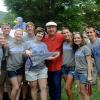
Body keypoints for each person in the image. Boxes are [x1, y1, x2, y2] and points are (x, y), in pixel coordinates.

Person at [24, 27, 59, 100]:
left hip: (42, 69)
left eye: (42, 34)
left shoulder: (44, 45)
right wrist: (26, 52)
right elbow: (23, 54)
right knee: (34, 88)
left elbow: (45, 57)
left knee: (43, 87)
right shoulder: (28, 43)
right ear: (35, 33)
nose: (40, 35)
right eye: (39, 33)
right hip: (31, 70)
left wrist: (54, 56)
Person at [43, 21, 64, 100]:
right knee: (50, 85)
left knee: (57, 84)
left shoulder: (61, 37)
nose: (51, 29)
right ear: (47, 29)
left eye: (53, 27)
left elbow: (70, 41)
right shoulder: (43, 38)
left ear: (56, 28)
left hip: (57, 66)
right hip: (47, 67)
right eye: (49, 28)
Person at [73, 33, 93, 100]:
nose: (76, 39)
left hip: (83, 73)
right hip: (77, 72)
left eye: (78, 38)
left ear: (81, 39)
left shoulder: (85, 48)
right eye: (75, 38)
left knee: (84, 92)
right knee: (79, 91)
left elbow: (89, 62)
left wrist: (89, 75)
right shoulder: (77, 49)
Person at [6, 29, 24, 100]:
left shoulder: (23, 44)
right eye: (17, 34)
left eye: (20, 34)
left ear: (22, 35)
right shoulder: (9, 44)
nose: (18, 35)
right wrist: (9, 65)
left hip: (20, 67)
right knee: (15, 87)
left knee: (19, 86)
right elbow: (6, 56)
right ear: (14, 34)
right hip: (11, 68)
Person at [61, 27, 75, 100]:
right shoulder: (62, 43)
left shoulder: (74, 42)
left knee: (67, 87)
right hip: (64, 68)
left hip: (72, 67)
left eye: (67, 32)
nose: (66, 34)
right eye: (64, 33)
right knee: (69, 87)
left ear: (70, 33)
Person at [1, 23, 13, 100]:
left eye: (8, 28)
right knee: (0, 83)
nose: (6, 30)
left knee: (9, 83)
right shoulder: (0, 37)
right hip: (1, 64)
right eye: (4, 28)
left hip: (9, 63)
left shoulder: (12, 39)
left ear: (10, 29)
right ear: (2, 29)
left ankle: (10, 98)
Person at [85, 26, 100, 91]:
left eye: (91, 32)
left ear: (95, 32)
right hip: (98, 69)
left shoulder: (99, 41)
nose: (89, 34)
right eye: (87, 32)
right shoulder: (88, 45)